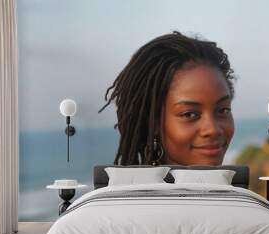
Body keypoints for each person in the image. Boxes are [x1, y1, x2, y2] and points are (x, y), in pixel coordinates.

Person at [99, 31, 236, 166]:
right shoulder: (134, 189)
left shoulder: (240, 188)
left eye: (223, 110)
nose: (212, 129)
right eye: (190, 114)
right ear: (153, 121)